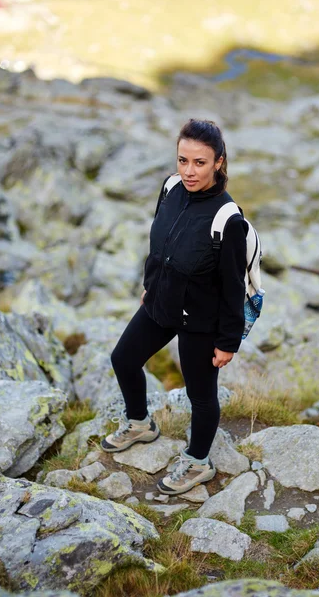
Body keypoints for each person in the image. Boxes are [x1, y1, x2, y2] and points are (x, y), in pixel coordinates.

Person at [101, 118, 248, 495]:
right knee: (123, 359)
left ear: (219, 162)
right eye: (183, 160)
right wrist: (150, 286)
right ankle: (140, 424)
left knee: (201, 395)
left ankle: (199, 463)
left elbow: (233, 286)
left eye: (200, 163)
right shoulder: (170, 187)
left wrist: (228, 341)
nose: (189, 171)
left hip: (202, 318)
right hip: (162, 299)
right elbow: (160, 241)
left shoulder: (228, 219)